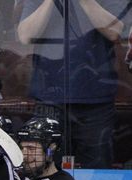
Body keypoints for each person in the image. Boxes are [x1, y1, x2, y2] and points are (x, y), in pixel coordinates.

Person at [18, 0, 127, 168]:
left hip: (95, 101)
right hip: (50, 97)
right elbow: (25, 35)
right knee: (46, 166)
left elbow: (115, 32)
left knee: (97, 169)